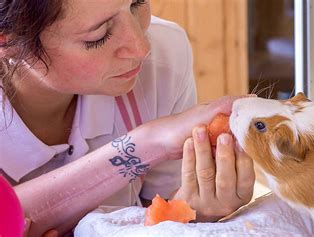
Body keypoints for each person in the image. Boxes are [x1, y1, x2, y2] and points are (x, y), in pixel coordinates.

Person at [0, 0, 255, 236]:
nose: (142, 48)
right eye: (98, 36)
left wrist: (193, 213)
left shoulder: (163, 59)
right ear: (7, 42)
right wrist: (148, 144)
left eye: (137, 3)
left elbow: (156, 215)